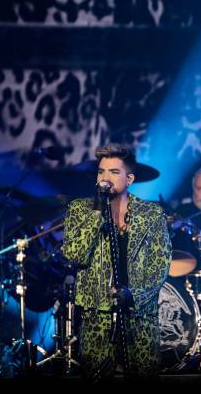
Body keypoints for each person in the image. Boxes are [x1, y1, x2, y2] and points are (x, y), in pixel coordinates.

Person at [62, 144, 171, 379]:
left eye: (114, 172)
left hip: (139, 317)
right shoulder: (80, 209)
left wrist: (135, 295)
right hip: (96, 317)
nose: (105, 178)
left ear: (129, 178)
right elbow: (74, 254)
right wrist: (97, 212)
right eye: (101, 172)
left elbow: (160, 265)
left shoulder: (151, 214)